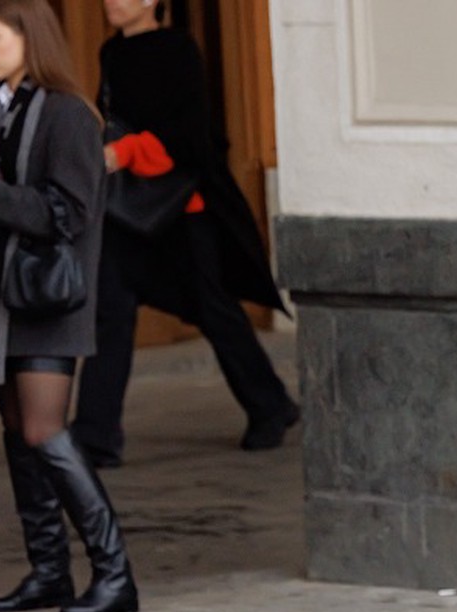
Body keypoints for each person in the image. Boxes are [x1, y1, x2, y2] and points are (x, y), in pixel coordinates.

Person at [0, 0, 138, 612]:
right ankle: (49, 572)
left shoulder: (69, 113)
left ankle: (115, 574)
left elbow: (67, 214)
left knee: (44, 430)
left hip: (50, 297)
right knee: (20, 434)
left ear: (28, 36)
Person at [67, 0, 296, 466]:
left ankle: (270, 405)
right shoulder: (112, 53)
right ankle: (94, 437)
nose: (112, 1)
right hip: (128, 210)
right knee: (111, 312)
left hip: (181, 210)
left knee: (215, 310)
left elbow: (189, 132)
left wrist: (126, 152)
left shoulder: (178, 50)